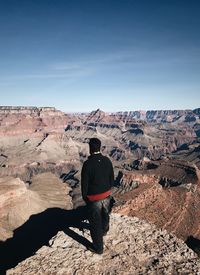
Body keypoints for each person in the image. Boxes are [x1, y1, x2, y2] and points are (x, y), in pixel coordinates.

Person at [81, 138, 114, 254]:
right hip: (106, 195)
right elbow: (112, 179)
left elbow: (84, 185)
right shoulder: (107, 160)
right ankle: (104, 230)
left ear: (90, 148)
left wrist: (86, 198)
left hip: (94, 198)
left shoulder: (87, 164)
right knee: (105, 213)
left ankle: (98, 248)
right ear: (100, 148)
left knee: (95, 223)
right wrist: (108, 191)